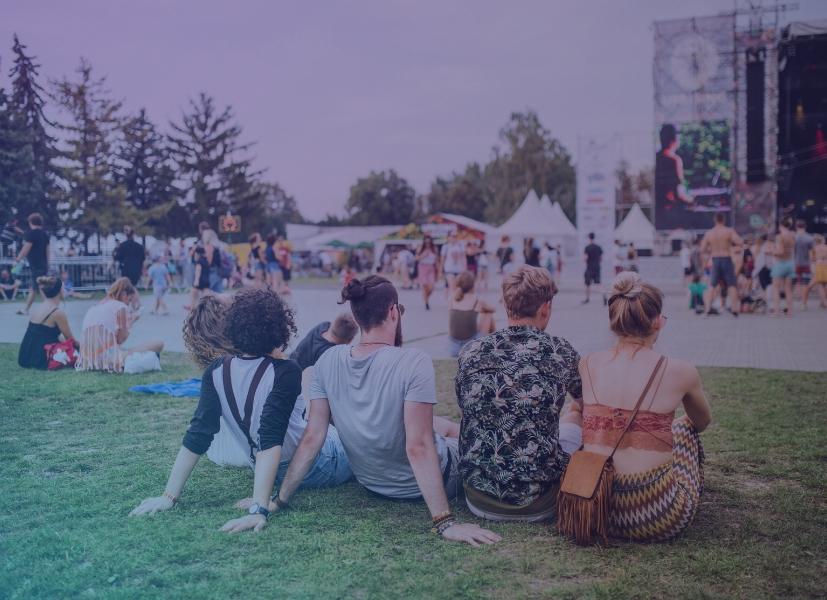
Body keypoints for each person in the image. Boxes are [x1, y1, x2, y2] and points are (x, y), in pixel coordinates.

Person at [274, 276, 501, 546]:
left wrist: (279, 499)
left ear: (357, 317)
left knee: (444, 427)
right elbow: (418, 447)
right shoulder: (413, 361)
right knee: (476, 437)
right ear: (393, 311)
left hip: (372, 482)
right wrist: (445, 522)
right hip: (423, 480)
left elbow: (313, 436)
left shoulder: (327, 360)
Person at [129, 288, 302, 532]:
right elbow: (271, 438)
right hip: (309, 464)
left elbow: (199, 432)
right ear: (281, 326)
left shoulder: (217, 370)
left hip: (266, 468)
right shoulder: (287, 370)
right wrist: (259, 508)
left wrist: (168, 496)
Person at [569, 272, 711, 542]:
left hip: (597, 505)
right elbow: (702, 422)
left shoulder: (587, 362)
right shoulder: (681, 371)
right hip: (657, 515)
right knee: (684, 428)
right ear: (657, 322)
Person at [456, 266, 582, 522]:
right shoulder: (560, 352)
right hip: (540, 502)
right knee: (577, 416)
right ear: (545, 307)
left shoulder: (471, 351)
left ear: (506, 304)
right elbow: (589, 405)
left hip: (478, 497)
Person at [76, 277, 164, 372]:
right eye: (129, 300)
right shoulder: (121, 307)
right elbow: (120, 340)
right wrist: (132, 320)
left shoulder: (95, 307)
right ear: (124, 294)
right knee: (159, 343)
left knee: (127, 350)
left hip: (86, 361)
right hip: (107, 360)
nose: (128, 304)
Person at [18, 276, 77, 369]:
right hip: (42, 358)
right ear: (59, 291)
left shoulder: (40, 306)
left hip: (26, 355)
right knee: (76, 351)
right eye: (63, 288)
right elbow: (70, 340)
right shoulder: (57, 312)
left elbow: (47, 334)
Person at [700, 213, 743, 317]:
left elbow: (702, 249)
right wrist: (730, 247)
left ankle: (707, 309)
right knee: (732, 285)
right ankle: (735, 309)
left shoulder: (709, 233)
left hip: (715, 259)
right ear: (723, 220)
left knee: (712, 285)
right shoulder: (729, 231)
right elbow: (740, 241)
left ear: (715, 220)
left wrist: (712, 249)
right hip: (726, 258)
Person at [654, 123, 694, 230]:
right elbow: (679, 193)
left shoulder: (656, 158)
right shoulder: (675, 160)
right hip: (672, 214)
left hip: (657, 213)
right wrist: (693, 200)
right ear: (674, 140)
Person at [447, 271, 496, 358]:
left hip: (453, 348)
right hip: (470, 348)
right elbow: (493, 309)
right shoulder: (476, 300)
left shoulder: (452, 299)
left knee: (469, 320)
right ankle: (495, 344)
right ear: (473, 286)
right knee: (488, 314)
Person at [290, 313, 359, 370]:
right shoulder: (330, 354)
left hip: (291, 359)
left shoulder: (324, 325)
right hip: (297, 374)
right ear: (349, 340)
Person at [14, 213, 50, 316]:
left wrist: (18, 259)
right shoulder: (45, 234)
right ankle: (26, 309)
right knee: (34, 288)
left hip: (36, 265)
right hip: (43, 265)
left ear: (30, 222)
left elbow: (26, 248)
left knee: (40, 287)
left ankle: (49, 310)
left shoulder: (32, 234)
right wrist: (48, 263)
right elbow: (48, 250)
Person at [771, 218, 796, 317]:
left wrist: (772, 251)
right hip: (790, 263)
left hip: (780, 263)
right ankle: (790, 312)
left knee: (776, 289)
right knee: (788, 289)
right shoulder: (792, 236)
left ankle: (777, 312)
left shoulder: (780, 237)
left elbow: (780, 251)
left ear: (781, 226)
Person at [803, 234, 827, 309]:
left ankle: (825, 303)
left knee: (820, 285)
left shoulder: (814, 248)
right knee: (825, 285)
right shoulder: (826, 247)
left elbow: (811, 259)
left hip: (819, 266)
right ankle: (823, 303)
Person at [416, 236, 439, 310]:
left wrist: (439, 271)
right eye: (426, 242)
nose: (427, 244)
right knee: (424, 286)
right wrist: (424, 255)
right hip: (422, 267)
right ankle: (426, 303)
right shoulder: (421, 248)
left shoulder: (434, 249)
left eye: (429, 242)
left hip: (431, 268)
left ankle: (426, 297)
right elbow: (416, 258)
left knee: (431, 287)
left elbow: (436, 261)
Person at [794, 220, 814, 301]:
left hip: (796, 262)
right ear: (805, 227)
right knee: (806, 282)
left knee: (798, 281)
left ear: (796, 227)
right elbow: (811, 252)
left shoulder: (794, 237)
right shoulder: (809, 237)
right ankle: (804, 301)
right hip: (806, 263)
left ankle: (799, 296)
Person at [582, 233, 603, 305]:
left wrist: (584, 260)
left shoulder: (587, 247)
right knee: (598, 283)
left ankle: (587, 298)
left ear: (589, 238)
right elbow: (600, 258)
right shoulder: (598, 247)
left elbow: (585, 258)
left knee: (587, 284)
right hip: (597, 267)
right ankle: (604, 296)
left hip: (589, 267)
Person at [202, 228, 225, 294]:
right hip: (218, 269)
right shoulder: (217, 245)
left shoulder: (209, 245)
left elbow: (209, 259)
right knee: (218, 291)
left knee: (208, 290)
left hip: (211, 270)